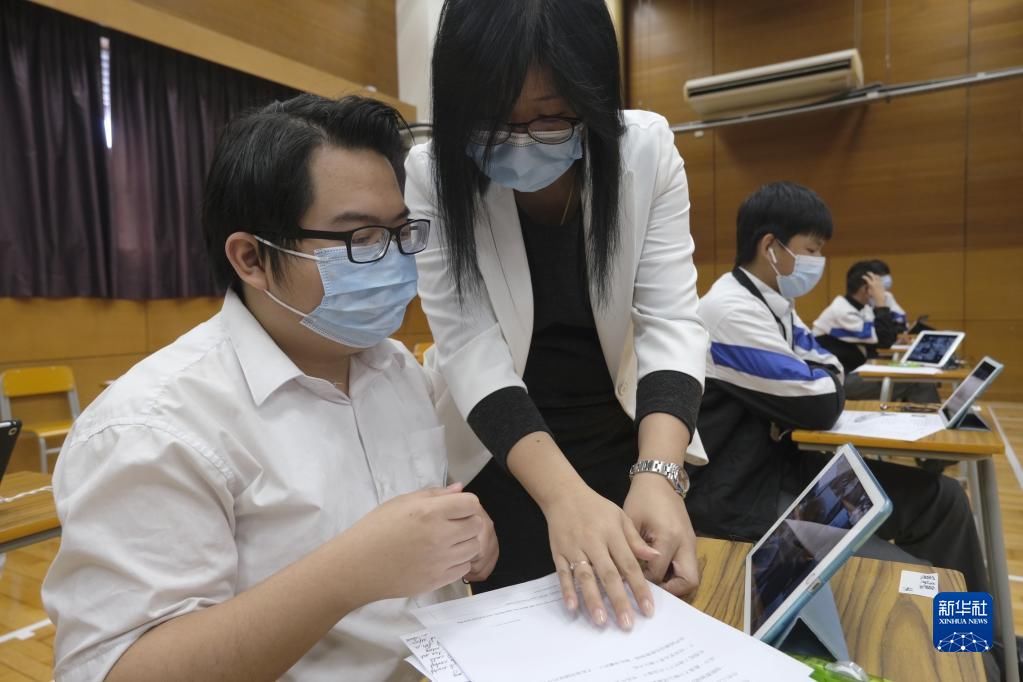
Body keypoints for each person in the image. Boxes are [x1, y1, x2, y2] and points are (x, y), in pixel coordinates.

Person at [41, 94, 498, 682]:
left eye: (401, 232)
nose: (393, 263)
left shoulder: (395, 371)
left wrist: (466, 539)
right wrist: (346, 573)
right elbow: (120, 669)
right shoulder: (154, 425)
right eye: (359, 239)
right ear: (251, 258)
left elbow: (416, 542)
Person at [404, 0, 709, 631]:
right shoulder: (432, 175)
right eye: (491, 121)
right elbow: (468, 347)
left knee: (640, 634)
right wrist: (563, 498)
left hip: (626, 439)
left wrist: (658, 474)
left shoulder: (646, 151)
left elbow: (670, 321)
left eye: (549, 119)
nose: (519, 143)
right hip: (507, 450)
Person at [685, 181, 987, 594]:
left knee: (944, 499)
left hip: (786, 469)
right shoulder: (728, 310)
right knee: (920, 578)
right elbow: (821, 403)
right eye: (812, 250)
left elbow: (831, 372)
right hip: (742, 495)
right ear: (771, 246)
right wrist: (823, 378)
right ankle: (965, 641)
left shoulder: (774, 304)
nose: (819, 261)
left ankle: (983, 646)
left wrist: (823, 378)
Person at [814, 261, 939, 402]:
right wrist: (880, 302)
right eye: (879, 287)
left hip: (854, 371)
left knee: (914, 373)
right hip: (836, 380)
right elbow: (884, 340)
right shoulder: (842, 311)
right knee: (918, 383)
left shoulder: (862, 308)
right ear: (866, 288)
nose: (884, 292)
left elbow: (888, 334)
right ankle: (937, 424)